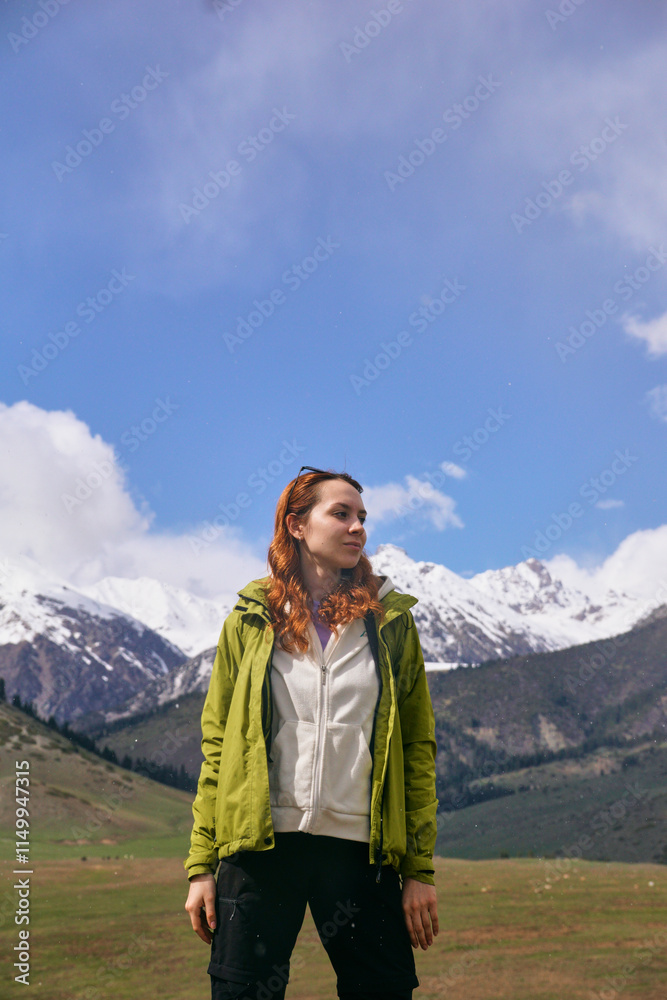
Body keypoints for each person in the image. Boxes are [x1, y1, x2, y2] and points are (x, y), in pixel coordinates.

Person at [184, 466, 439, 1000]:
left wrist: (418, 870)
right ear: (297, 525)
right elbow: (218, 750)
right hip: (261, 846)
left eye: (362, 518)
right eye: (340, 514)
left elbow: (416, 750)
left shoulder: (390, 622)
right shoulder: (251, 620)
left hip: (359, 854)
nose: (357, 529)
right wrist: (201, 865)